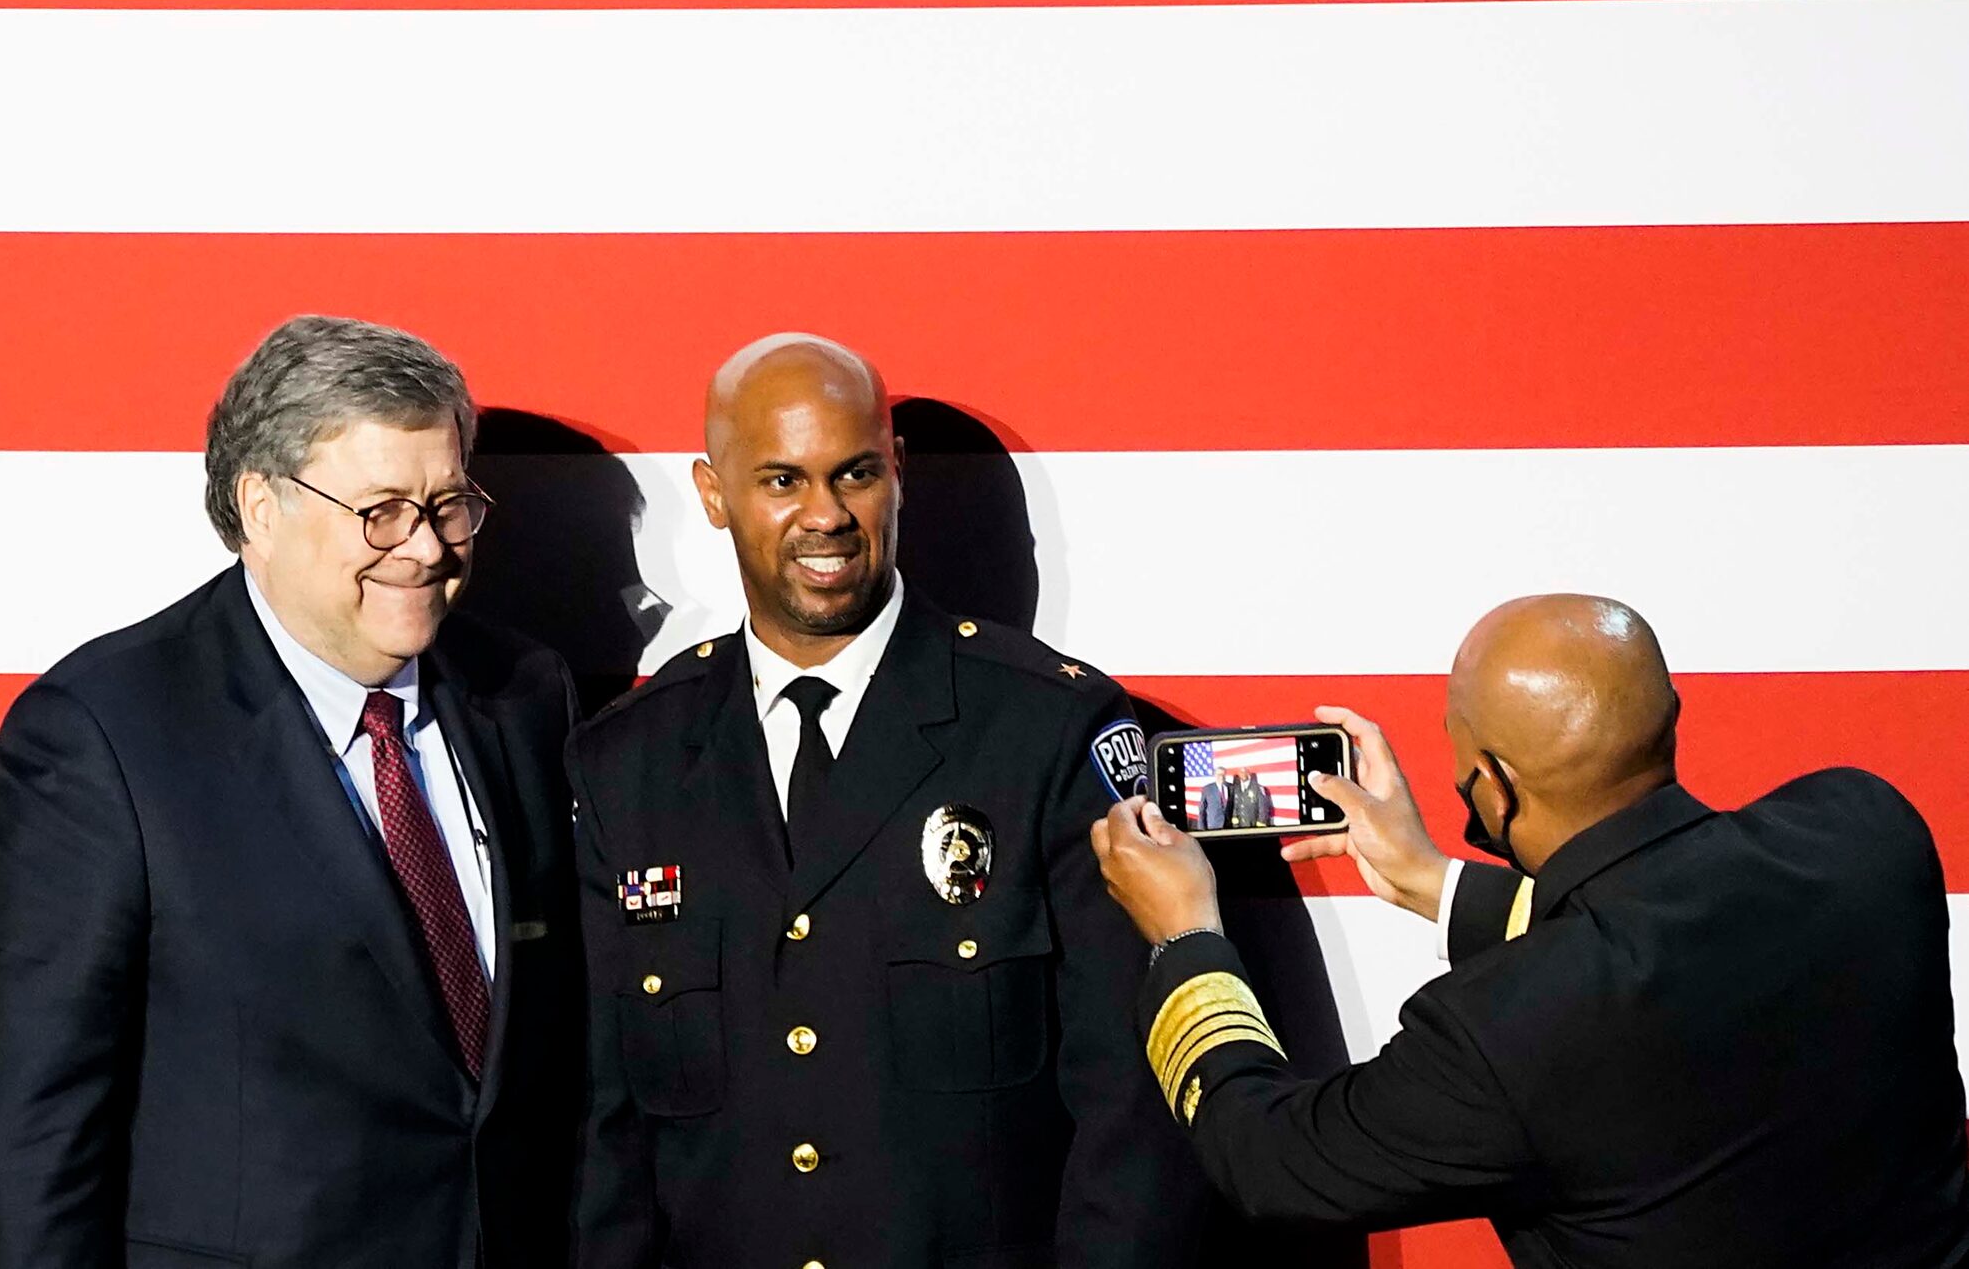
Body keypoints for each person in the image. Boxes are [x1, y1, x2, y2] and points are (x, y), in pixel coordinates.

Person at [0, 316, 583, 1269]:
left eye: (449, 506)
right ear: (261, 505)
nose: (423, 549)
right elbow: (34, 1136)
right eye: (380, 512)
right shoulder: (102, 738)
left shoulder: (526, 694)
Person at [570, 334, 1205, 1269]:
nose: (825, 516)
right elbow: (606, 1136)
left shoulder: (1048, 730)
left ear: (897, 472)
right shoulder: (629, 762)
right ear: (714, 494)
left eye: (855, 474)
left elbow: (1134, 1114)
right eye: (781, 481)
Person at [1091, 593, 1969, 1267]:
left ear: (1493, 790)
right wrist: (1432, 883)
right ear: (1670, 714)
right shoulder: (1865, 833)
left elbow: (1272, 1158)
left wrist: (1187, 937)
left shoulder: (1493, 1034)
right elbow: (1665, 940)